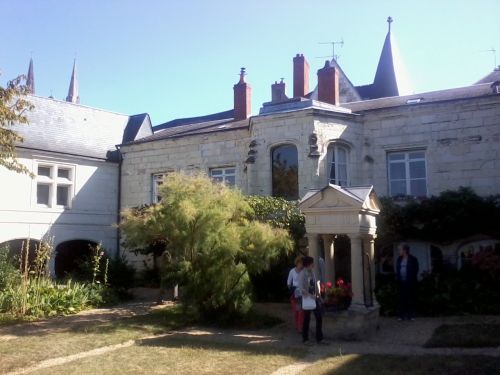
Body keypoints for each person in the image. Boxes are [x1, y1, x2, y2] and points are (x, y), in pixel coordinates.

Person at [299, 256, 328, 345]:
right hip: (307, 299)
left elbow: (315, 285)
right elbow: (301, 289)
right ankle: (305, 339)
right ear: (308, 264)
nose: (313, 264)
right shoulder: (302, 274)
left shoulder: (312, 272)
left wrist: (319, 296)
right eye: (312, 263)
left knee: (319, 317)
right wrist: (310, 296)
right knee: (306, 319)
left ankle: (319, 338)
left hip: (314, 298)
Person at [395, 244, 419, 320]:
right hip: (401, 282)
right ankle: (401, 315)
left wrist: (411, 279)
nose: (398, 251)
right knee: (402, 299)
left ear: (404, 250)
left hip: (410, 282)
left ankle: (411, 315)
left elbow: (416, 269)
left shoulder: (413, 259)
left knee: (410, 298)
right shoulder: (399, 259)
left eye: (399, 249)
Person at [287, 256, 304, 333]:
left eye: (302, 263)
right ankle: (297, 326)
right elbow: (288, 283)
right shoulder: (292, 271)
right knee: (296, 311)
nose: (301, 265)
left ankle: (300, 327)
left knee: (301, 311)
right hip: (295, 293)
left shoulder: (304, 271)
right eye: (300, 263)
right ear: (297, 263)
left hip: (302, 292)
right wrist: (292, 290)